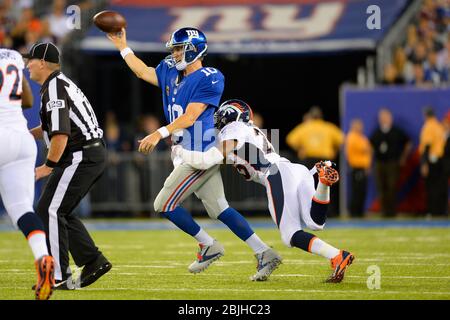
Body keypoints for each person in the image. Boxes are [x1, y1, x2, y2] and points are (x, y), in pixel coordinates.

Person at [107, 28, 281, 281]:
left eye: (179, 49)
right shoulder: (169, 69)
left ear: (194, 49)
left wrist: (158, 134)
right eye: (174, 49)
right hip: (184, 147)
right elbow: (142, 71)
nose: (175, 53)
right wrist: (123, 46)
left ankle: (208, 245)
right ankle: (264, 252)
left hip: (199, 150)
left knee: (163, 204)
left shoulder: (209, 77)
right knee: (220, 209)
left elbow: (190, 117)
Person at [174, 99, 355, 283]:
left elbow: (206, 160)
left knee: (290, 234)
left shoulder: (232, 130)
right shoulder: (249, 130)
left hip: (276, 175)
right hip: (293, 169)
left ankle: (336, 252)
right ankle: (324, 187)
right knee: (315, 222)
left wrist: (181, 152)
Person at [25, 42, 112, 289]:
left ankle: (58, 274)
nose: (27, 65)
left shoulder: (54, 88)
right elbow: (53, 125)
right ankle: (93, 261)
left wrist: (47, 166)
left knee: (50, 210)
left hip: (80, 154)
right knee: (58, 209)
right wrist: (26, 134)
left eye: (30, 60)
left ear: (42, 62)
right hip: (86, 153)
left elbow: (61, 134)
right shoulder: (57, 84)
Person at [0, 47, 55, 299]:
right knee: (22, 209)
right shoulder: (11, 55)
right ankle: (43, 257)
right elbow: (28, 101)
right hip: (22, 139)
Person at [286, 106, 344, 216]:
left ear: (311, 116)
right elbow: (341, 140)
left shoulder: (305, 127)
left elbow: (290, 139)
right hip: (326, 160)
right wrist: (334, 150)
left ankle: (308, 212)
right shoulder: (328, 127)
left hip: (310, 160)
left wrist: (300, 149)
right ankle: (329, 212)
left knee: (308, 186)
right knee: (327, 186)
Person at [369, 108, 412, 217]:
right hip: (380, 163)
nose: (383, 119)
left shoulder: (397, 131)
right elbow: (370, 146)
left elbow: (408, 143)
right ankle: (384, 212)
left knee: (392, 187)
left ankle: (392, 212)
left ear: (390, 118)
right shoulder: (376, 132)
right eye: (381, 117)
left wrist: (403, 157)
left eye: (385, 117)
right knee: (381, 187)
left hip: (392, 163)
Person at [419, 107, 447, 216]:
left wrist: (424, 163)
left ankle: (433, 211)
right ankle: (441, 211)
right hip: (441, 160)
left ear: (425, 115)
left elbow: (427, 146)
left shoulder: (429, 127)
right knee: (440, 187)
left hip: (432, 160)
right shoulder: (439, 126)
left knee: (431, 187)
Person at [345, 119, 372, 217]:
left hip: (363, 167)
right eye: (358, 126)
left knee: (362, 190)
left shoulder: (362, 138)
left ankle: (360, 211)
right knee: (356, 190)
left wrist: (367, 166)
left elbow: (368, 152)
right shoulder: (351, 137)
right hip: (356, 167)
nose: (360, 128)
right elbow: (361, 150)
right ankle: (354, 212)